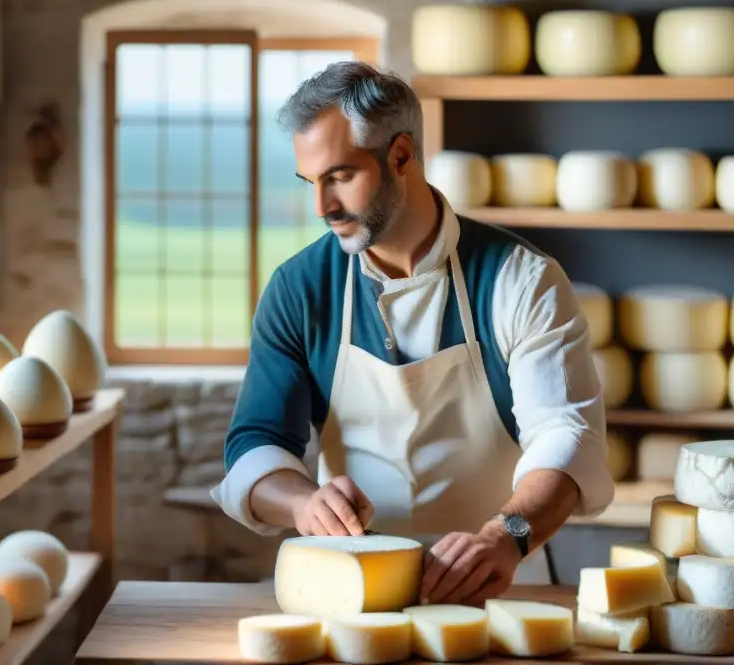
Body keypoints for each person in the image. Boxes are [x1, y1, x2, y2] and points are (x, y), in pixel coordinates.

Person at [211, 61, 613, 605]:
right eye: (311, 182)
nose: (323, 208)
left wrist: (505, 537)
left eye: (340, 176)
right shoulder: (298, 289)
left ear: (400, 156)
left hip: (499, 585)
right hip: (353, 592)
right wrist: (304, 504)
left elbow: (568, 434)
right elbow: (256, 443)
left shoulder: (521, 280)